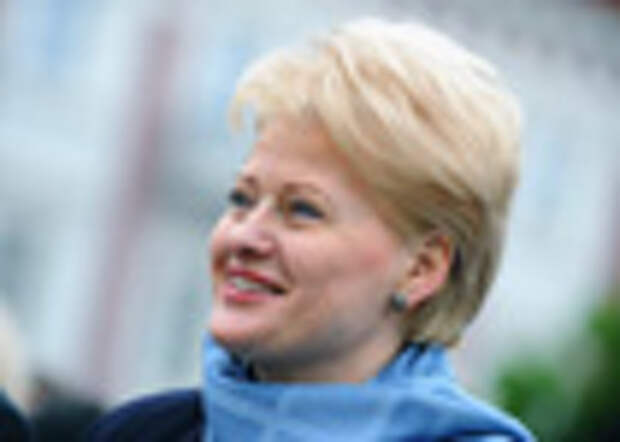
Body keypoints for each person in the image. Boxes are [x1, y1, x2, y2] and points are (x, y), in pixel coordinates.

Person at [86, 17, 534, 441]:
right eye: (242, 199)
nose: (244, 237)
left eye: (302, 210)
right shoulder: (139, 432)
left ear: (421, 268)